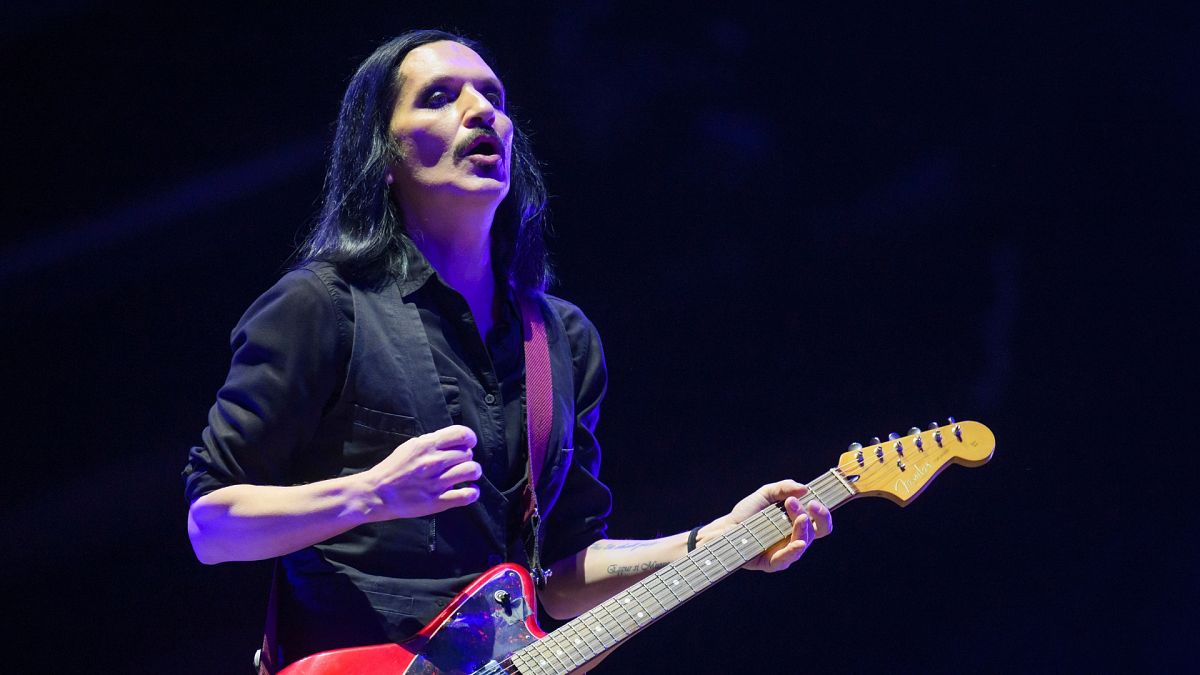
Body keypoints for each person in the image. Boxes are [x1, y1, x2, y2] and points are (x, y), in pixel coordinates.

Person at [182, 29, 832, 670]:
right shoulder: (320, 306)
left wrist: (710, 541)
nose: (480, 110)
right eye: (439, 95)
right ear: (381, 154)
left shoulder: (559, 339)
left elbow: (558, 573)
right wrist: (376, 493)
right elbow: (213, 526)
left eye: (491, 95)